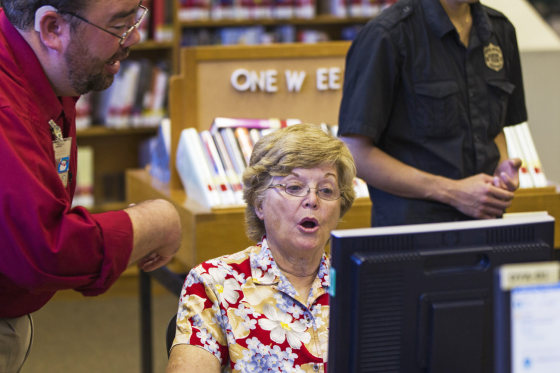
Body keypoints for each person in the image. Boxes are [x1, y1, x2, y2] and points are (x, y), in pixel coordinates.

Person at [0, 1, 182, 372]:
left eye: (137, 16)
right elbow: (46, 246)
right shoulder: (7, 109)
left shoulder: (42, 62)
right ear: (52, 28)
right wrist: (154, 222)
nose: (134, 36)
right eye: (119, 24)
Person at [166, 123, 356, 372]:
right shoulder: (214, 283)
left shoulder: (358, 285)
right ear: (259, 204)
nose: (312, 200)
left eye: (326, 190)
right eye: (294, 187)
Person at [338, 0, 526, 227]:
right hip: (413, 237)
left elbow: (494, 130)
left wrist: (501, 170)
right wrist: (453, 192)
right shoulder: (387, 34)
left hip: (486, 225)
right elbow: (354, 151)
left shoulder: (500, 29)